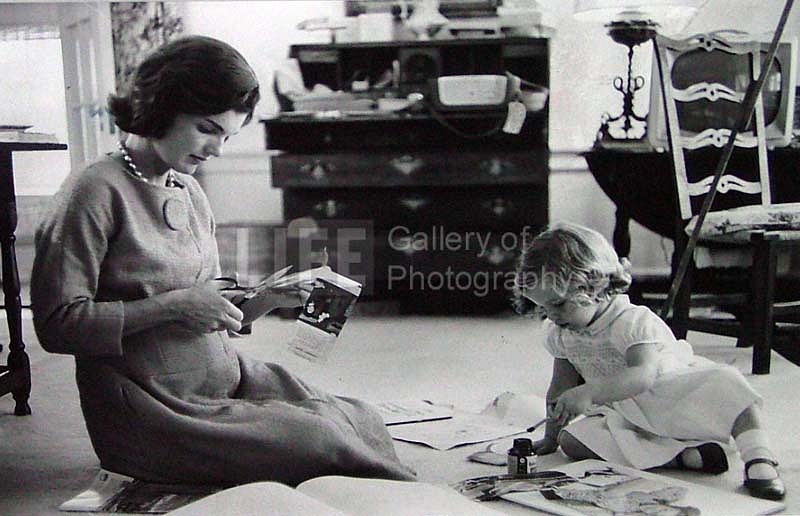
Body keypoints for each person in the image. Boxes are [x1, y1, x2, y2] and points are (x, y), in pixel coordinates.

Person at [31, 35, 414, 487]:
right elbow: (57, 325)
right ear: (162, 106)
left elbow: (206, 306)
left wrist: (268, 298)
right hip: (155, 410)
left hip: (224, 380)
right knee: (319, 439)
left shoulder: (188, 189)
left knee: (360, 419)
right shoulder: (92, 191)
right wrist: (175, 306)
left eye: (227, 136)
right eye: (207, 129)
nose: (217, 149)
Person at [512, 222, 785, 501]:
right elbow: (559, 386)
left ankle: (758, 457)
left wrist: (591, 392)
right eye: (542, 307)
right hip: (627, 412)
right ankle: (683, 457)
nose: (552, 316)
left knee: (727, 381)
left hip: (671, 393)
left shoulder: (630, 321)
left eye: (558, 304)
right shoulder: (562, 333)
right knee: (572, 442)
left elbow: (643, 375)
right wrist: (550, 435)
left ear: (596, 286)